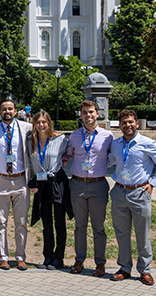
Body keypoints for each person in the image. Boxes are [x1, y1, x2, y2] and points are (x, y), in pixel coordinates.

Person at [108, 109, 156, 286]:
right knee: (122, 234)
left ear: (136, 123)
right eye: (124, 123)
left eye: (130, 122)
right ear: (119, 125)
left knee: (142, 234)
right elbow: (110, 161)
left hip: (139, 193)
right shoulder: (116, 144)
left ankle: (145, 270)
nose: (127, 125)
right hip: (119, 192)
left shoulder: (148, 143)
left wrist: (153, 183)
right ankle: (124, 268)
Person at [62, 100, 114, 277]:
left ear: (97, 113)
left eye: (91, 112)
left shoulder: (108, 136)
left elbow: (114, 156)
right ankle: (79, 259)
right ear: (81, 115)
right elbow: (67, 154)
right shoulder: (75, 136)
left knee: (98, 227)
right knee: (79, 226)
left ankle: (100, 263)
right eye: (84, 112)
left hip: (98, 185)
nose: (88, 115)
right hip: (77, 184)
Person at [0, 99, 33, 270]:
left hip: (21, 180)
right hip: (0, 180)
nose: (7, 111)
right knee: (1, 222)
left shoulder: (26, 128)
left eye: (10, 109)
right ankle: (3, 257)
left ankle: (20, 257)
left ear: (15, 111)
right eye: (4, 109)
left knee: (21, 222)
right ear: (0, 112)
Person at [27, 111, 72, 271]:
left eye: (44, 122)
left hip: (56, 183)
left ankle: (58, 258)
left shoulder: (60, 140)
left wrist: (66, 158)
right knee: (46, 222)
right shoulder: (30, 141)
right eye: (38, 122)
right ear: (34, 124)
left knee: (59, 222)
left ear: (49, 123)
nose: (41, 125)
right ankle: (47, 256)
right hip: (41, 184)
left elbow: (72, 152)